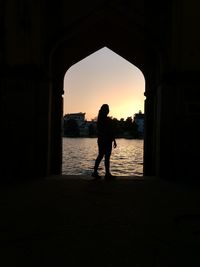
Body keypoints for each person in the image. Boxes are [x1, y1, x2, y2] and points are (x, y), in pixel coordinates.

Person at [92, 104, 117, 180]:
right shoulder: (104, 120)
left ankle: (99, 172)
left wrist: (114, 140)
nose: (108, 110)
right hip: (105, 140)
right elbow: (106, 131)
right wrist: (112, 139)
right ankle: (106, 173)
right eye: (107, 109)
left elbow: (111, 131)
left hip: (105, 140)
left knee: (102, 156)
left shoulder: (102, 120)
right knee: (104, 157)